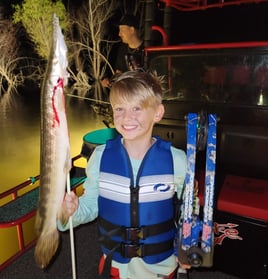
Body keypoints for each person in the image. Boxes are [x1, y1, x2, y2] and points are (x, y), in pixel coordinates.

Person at [58, 70, 189, 279]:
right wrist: (69, 212)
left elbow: (187, 212)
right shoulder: (100, 157)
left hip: (161, 267)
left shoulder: (178, 161)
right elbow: (91, 204)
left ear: (158, 112)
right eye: (119, 109)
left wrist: (187, 247)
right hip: (116, 265)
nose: (126, 118)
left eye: (137, 108)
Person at [101, 14, 144, 88]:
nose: (119, 34)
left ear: (131, 30)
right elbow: (119, 73)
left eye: (122, 30)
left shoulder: (148, 48)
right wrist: (110, 81)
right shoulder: (123, 49)